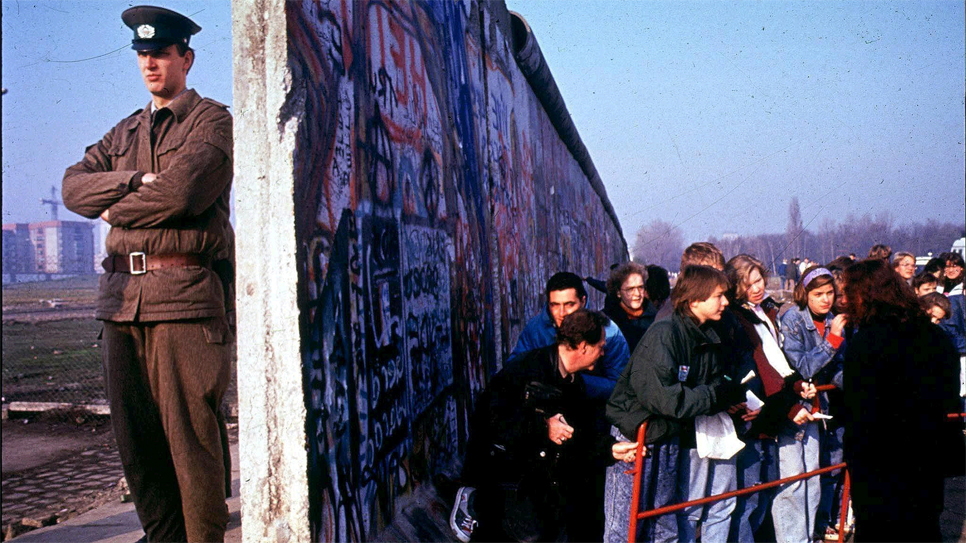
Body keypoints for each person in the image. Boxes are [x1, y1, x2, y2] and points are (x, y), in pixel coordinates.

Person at [61, 7, 234, 542]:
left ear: (186, 57)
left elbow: (184, 192)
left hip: (182, 301)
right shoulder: (125, 132)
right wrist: (135, 178)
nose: (150, 64)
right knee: (137, 443)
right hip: (119, 303)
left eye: (160, 53)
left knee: (190, 443)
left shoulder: (211, 121)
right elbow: (72, 188)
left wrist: (112, 207)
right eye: (142, 55)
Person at [452, 272, 631, 542]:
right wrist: (542, 426)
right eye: (600, 348)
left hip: (541, 490)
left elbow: (575, 435)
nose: (603, 353)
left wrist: (610, 448)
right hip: (508, 489)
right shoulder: (525, 370)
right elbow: (489, 423)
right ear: (582, 347)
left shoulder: (574, 383)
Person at [604, 265, 746, 543]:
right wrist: (716, 397)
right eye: (718, 296)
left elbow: (709, 383)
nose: (726, 302)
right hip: (636, 439)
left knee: (663, 525)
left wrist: (727, 394)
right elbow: (665, 398)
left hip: (666, 435)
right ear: (694, 300)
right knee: (625, 527)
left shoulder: (705, 333)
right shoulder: (665, 334)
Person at [841, 259, 960, 541]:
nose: (844, 300)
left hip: (879, 460)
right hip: (925, 452)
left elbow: (857, 406)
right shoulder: (934, 335)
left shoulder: (866, 342)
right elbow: (949, 392)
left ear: (864, 294)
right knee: (924, 527)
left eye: (848, 292)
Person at [723, 255, 814, 543]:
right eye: (747, 284)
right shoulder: (741, 318)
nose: (756, 288)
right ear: (736, 287)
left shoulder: (762, 313)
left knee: (764, 493)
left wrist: (797, 384)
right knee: (750, 498)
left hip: (768, 413)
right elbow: (762, 365)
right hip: (754, 415)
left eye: (759, 280)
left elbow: (779, 362)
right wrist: (790, 406)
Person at [779, 266, 847, 542]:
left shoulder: (833, 320)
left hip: (825, 408)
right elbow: (803, 366)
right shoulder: (793, 319)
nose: (825, 299)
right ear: (804, 293)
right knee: (796, 479)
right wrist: (832, 340)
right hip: (799, 408)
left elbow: (839, 367)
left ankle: (813, 530)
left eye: (830, 292)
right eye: (818, 294)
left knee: (821, 474)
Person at [605, 262, 657, 352]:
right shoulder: (608, 321)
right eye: (630, 289)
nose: (637, 294)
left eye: (640, 287)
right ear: (618, 292)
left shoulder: (656, 318)